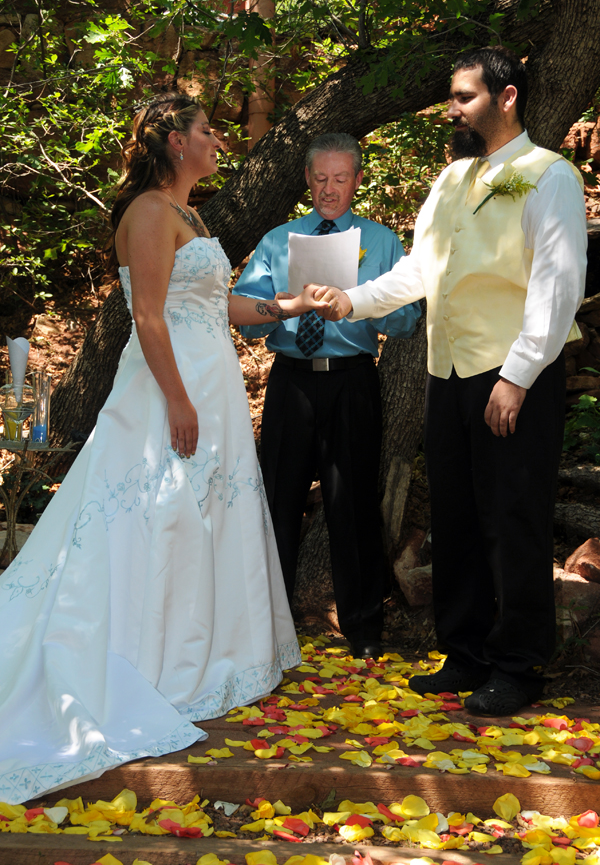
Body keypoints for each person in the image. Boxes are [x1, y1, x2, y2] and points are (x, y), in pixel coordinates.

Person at [0, 92, 325, 805]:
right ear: (175, 141)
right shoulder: (148, 212)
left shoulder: (190, 214)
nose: (218, 141)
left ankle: (204, 650)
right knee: (155, 517)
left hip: (210, 388)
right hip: (167, 391)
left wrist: (286, 307)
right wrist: (177, 397)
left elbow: (215, 305)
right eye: (208, 131)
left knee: (197, 517)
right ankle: (149, 658)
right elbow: (147, 314)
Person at [315, 48, 588, 716]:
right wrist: (351, 301)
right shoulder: (450, 182)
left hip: (514, 372)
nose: (452, 107)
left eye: (465, 96)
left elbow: (557, 286)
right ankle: (463, 654)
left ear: (508, 97)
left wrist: (518, 376)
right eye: (452, 96)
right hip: (449, 371)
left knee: (513, 520)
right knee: (457, 519)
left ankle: (519, 664)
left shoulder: (548, 175)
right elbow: (420, 272)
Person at [232, 133, 420, 660]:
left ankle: (364, 630)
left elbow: (408, 320)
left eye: (340, 179)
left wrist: (357, 304)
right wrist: (285, 304)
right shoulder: (277, 240)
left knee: (353, 501)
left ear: (358, 180)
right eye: (320, 178)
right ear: (307, 180)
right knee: (277, 500)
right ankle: (266, 625)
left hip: (352, 379)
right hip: (291, 378)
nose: (329, 189)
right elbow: (245, 319)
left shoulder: (382, 243)